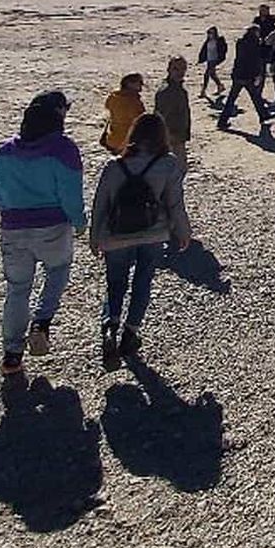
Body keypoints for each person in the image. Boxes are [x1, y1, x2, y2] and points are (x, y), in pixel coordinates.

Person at [0, 90, 86, 376]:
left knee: (17, 289)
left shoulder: (5, 151)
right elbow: (71, 195)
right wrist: (79, 222)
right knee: (57, 271)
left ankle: (11, 354)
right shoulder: (64, 148)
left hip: (13, 228)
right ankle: (42, 323)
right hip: (52, 226)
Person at [90, 113, 192, 370]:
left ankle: (109, 326)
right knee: (143, 282)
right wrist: (183, 231)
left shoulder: (114, 166)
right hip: (152, 234)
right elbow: (175, 203)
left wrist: (95, 237)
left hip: (116, 236)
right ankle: (130, 333)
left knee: (115, 284)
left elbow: (101, 204)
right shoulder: (167, 164)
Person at [218, 27, 270, 132]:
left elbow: (239, 59)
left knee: (232, 99)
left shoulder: (241, 43)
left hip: (238, 74)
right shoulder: (255, 45)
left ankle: (222, 121)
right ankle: (264, 116)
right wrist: (257, 74)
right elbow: (256, 60)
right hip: (248, 75)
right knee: (256, 97)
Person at [153, 56, 191, 171]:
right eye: (176, 69)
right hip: (171, 138)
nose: (180, 72)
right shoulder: (167, 91)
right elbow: (160, 117)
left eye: (183, 68)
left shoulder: (179, 89)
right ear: (169, 69)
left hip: (178, 136)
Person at [102, 74, 145, 153]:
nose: (142, 85)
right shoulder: (133, 102)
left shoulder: (113, 97)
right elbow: (139, 120)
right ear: (129, 84)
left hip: (113, 139)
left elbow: (108, 107)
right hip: (128, 142)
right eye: (139, 82)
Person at [253, 3, 275, 96]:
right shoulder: (257, 20)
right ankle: (259, 90)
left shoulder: (272, 19)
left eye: (264, 10)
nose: (263, 12)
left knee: (274, 71)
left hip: (270, 47)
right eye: (261, 10)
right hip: (259, 47)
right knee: (260, 70)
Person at [197, 26, 227, 97]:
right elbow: (204, 51)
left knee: (207, 74)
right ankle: (220, 86)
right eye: (208, 33)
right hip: (209, 59)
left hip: (215, 59)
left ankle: (203, 91)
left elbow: (223, 49)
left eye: (211, 33)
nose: (209, 34)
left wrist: (221, 58)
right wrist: (201, 59)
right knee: (212, 74)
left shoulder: (219, 40)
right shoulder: (207, 41)